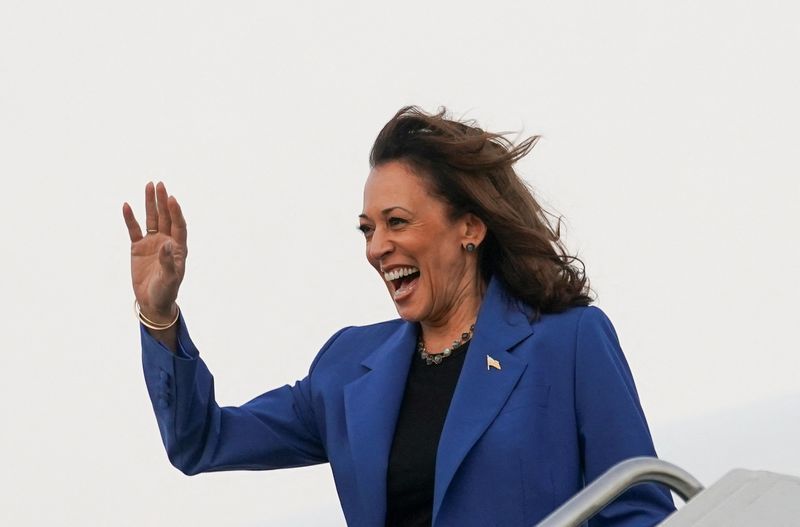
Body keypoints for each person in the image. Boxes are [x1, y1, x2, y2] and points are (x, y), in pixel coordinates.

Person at [123, 107, 675, 527]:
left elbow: (640, 512)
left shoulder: (570, 341)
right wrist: (160, 314)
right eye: (368, 229)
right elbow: (203, 440)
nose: (376, 248)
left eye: (397, 222)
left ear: (470, 228)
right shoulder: (347, 368)